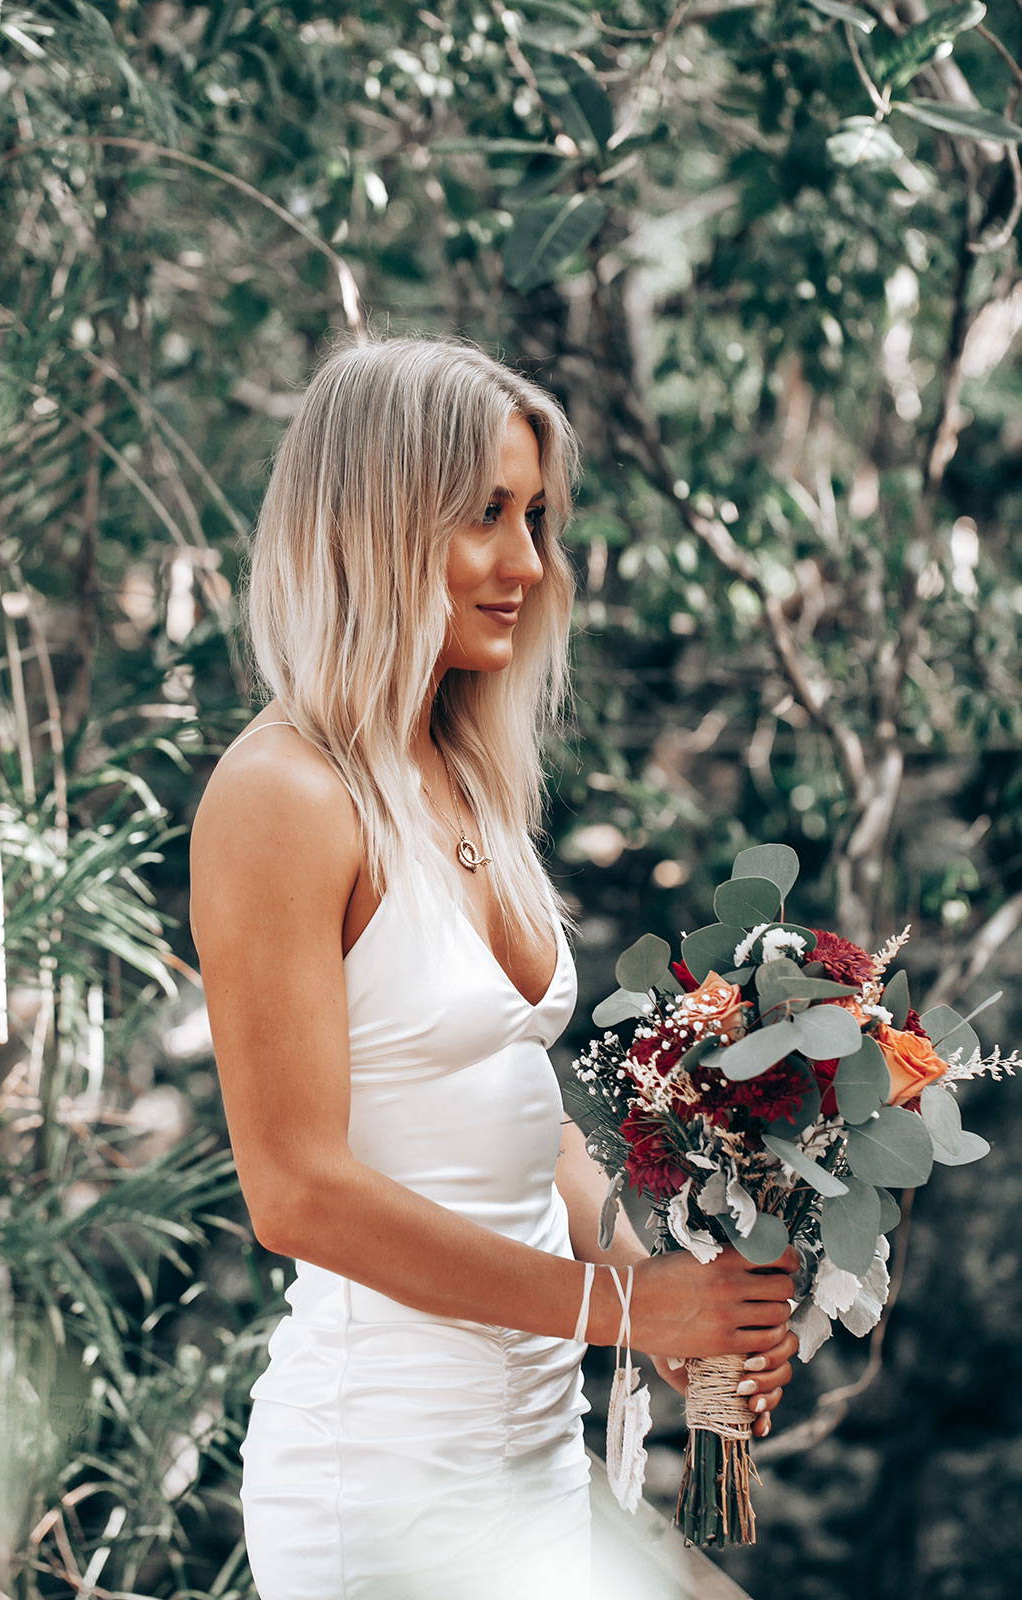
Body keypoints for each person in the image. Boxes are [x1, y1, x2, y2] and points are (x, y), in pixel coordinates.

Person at [189, 333, 800, 1599]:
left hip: (537, 1455)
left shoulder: (460, 770)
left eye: (534, 517)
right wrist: (627, 1316)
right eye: (484, 517)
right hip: (388, 1482)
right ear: (376, 523)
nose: (528, 564)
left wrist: (664, 1286)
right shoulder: (280, 795)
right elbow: (295, 1191)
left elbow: (520, 1125)